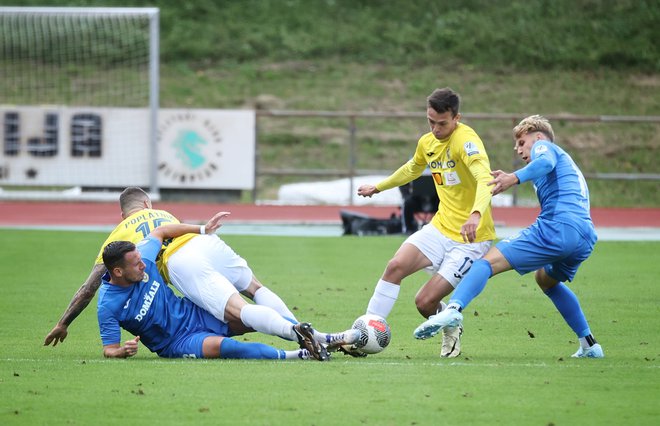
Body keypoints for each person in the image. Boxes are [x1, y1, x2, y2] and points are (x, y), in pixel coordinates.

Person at [45, 187, 357, 355]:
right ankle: (318, 337)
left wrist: (63, 323)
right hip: (204, 241)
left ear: (122, 213)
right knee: (256, 290)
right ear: (147, 202)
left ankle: (312, 338)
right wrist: (204, 228)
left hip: (184, 262)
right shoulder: (161, 212)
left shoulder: (117, 239)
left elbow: (89, 289)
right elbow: (166, 230)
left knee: (239, 311)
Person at [414, 115, 604, 358]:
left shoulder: (544, 147)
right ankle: (589, 344)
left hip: (559, 226)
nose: (519, 149)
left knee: (487, 261)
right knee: (546, 280)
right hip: (584, 236)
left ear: (537, 137)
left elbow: (544, 161)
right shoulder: (565, 161)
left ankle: (453, 308)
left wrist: (513, 177)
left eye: (521, 143)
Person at [354, 88, 496, 358]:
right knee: (395, 266)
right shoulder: (427, 142)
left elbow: (484, 178)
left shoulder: (466, 141)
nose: (435, 128)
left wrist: (476, 214)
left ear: (457, 118)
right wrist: (379, 187)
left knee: (424, 303)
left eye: (442, 123)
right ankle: (366, 335)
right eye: (430, 121)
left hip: (471, 239)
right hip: (440, 227)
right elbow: (412, 168)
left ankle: (450, 324)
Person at [99, 215, 325, 360]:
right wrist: (122, 351)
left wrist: (202, 229)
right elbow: (109, 349)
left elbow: (161, 232)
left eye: (141, 259)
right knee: (227, 348)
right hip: (176, 342)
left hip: (196, 313)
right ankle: (300, 354)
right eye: (136, 264)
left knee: (252, 318)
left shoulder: (144, 257)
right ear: (117, 272)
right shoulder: (108, 305)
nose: (143, 266)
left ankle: (315, 338)